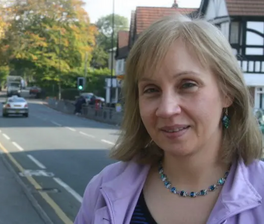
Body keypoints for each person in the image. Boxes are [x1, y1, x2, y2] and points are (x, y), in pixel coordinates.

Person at [74, 14, 264, 224]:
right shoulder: (102, 190)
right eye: (151, 89)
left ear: (227, 92)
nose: (166, 109)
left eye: (187, 84)